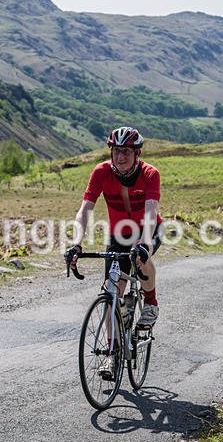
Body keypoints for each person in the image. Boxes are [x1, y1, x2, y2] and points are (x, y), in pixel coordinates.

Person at [66, 126, 162, 336]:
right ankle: (113, 348)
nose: (120, 157)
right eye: (116, 150)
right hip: (119, 234)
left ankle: (151, 303)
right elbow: (84, 210)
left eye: (126, 151)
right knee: (111, 294)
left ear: (137, 153)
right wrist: (76, 244)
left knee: (142, 256)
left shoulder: (150, 174)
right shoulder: (101, 172)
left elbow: (151, 212)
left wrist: (145, 242)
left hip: (149, 229)